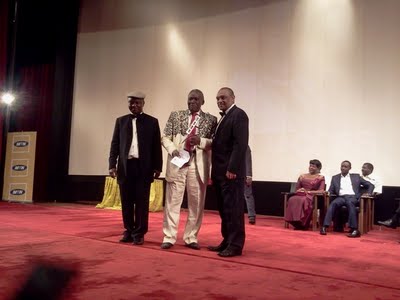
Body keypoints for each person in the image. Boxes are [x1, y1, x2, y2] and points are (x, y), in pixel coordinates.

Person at [160, 89, 217, 250]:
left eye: (196, 99)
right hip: (178, 162)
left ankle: (191, 237)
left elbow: (215, 142)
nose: (192, 102)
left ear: (202, 102)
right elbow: (165, 137)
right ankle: (169, 237)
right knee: (172, 202)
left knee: (197, 203)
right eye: (190, 99)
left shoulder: (211, 120)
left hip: (197, 165)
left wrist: (201, 141)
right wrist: (172, 149)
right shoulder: (176, 115)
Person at [109, 91, 163, 245]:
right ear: (128, 103)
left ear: (143, 104)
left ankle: (139, 233)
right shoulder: (120, 121)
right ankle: (128, 230)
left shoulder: (152, 122)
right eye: (131, 102)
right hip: (125, 167)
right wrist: (112, 165)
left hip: (143, 168)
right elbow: (114, 145)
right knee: (126, 201)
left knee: (141, 202)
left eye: (137, 102)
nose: (134, 105)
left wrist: (158, 166)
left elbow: (156, 147)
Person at [208, 87, 249, 257]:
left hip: (230, 174)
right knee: (224, 210)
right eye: (217, 98)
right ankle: (227, 240)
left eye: (223, 97)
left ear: (233, 97)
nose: (220, 101)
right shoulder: (223, 118)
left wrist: (232, 169)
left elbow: (240, 145)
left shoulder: (239, 115)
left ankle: (236, 245)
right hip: (219, 173)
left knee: (233, 209)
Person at [320, 160, 374, 238]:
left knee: (350, 203)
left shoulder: (356, 177)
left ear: (349, 168)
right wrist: (327, 192)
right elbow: (331, 190)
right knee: (333, 204)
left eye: (345, 166)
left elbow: (370, 185)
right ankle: (324, 226)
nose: (343, 168)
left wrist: (368, 193)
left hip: (352, 197)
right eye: (342, 166)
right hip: (341, 197)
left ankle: (354, 229)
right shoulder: (335, 177)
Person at [333, 162, 382, 231]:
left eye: (364, 168)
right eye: (362, 167)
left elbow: (377, 192)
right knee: (340, 204)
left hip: (367, 200)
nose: (362, 169)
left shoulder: (376, 179)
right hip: (354, 198)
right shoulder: (358, 177)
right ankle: (341, 226)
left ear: (370, 169)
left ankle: (354, 227)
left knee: (351, 204)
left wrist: (368, 194)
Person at [284, 159, 325, 230]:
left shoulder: (320, 178)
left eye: (313, 166)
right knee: (292, 199)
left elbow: (321, 191)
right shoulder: (302, 176)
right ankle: (295, 221)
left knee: (304, 200)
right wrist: (300, 190)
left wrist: (308, 192)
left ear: (318, 168)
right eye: (310, 166)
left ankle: (303, 223)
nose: (311, 167)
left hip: (311, 195)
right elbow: (297, 189)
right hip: (301, 194)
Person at [244, 145, 256, 225]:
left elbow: (248, 161)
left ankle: (251, 216)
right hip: (234, 174)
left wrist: (249, 175)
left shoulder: (246, 147)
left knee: (248, 195)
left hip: (244, 175)